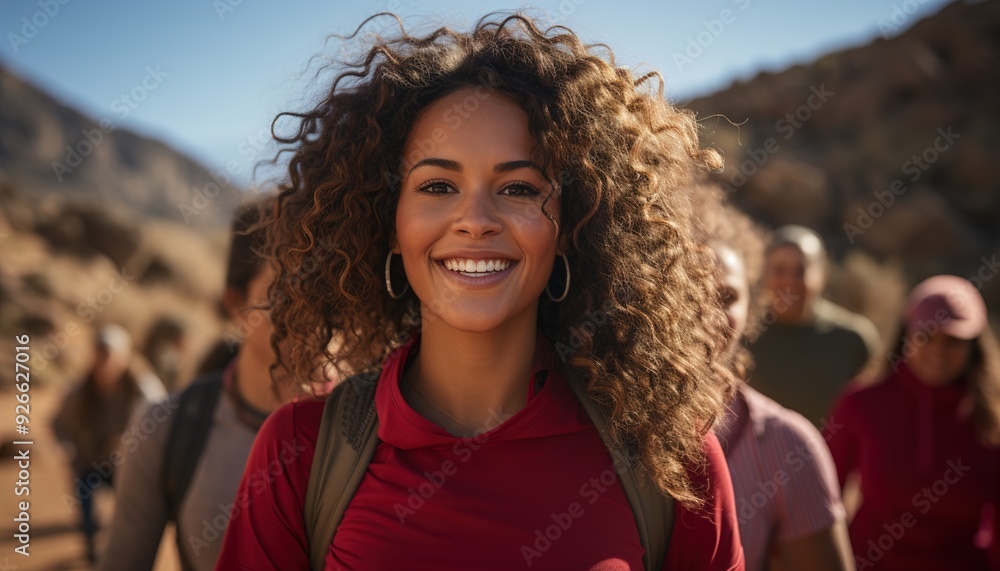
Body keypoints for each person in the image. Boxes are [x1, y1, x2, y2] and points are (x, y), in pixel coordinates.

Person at [215, 13, 745, 570]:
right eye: (437, 186)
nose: (475, 220)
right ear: (389, 226)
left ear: (573, 227)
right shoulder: (300, 454)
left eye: (518, 187)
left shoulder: (669, 461)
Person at [98, 200, 314, 571]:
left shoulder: (373, 426)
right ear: (235, 301)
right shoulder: (167, 429)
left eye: (327, 286)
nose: (311, 307)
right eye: (287, 290)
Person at [703, 199, 854, 571]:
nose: (704, 313)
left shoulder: (788, 446)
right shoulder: (599, 427)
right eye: (689, 290)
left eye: (726, 297)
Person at [826, 275, 1000, 570]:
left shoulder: (992, 419)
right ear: (906, 334)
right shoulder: (861, 403)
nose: (939, 351)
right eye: (927, 335)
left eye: (954, 340)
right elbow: (824, 500)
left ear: (974, 347)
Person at [748, 225, 879, 427]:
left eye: (801, 271)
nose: (789, 281)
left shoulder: (854, 340)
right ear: (764, 273)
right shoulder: (742, 334)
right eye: (779, 270)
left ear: (822, 274)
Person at [52, 324, 162, 563]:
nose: (105, 362)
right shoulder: (80, 391)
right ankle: (92, 556)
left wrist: (130, 443)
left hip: (127, 465)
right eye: (100, 354)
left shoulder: (142, 388)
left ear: (124, 358)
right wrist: (66, 446)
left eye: (110, 355)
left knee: (133, 514)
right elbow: (58, 423)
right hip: (88, 462)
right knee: (87, 515)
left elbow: (163, 421)